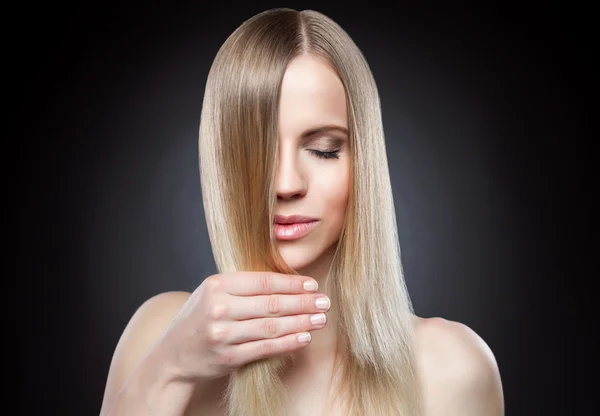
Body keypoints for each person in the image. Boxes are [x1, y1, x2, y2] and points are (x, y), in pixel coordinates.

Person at [99, 8, 504, 416]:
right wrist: (171, 370)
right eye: (257, 150)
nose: (285, 184)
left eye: (323, 149)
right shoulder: (160, 335)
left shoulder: (449, 369)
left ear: (363, 161)